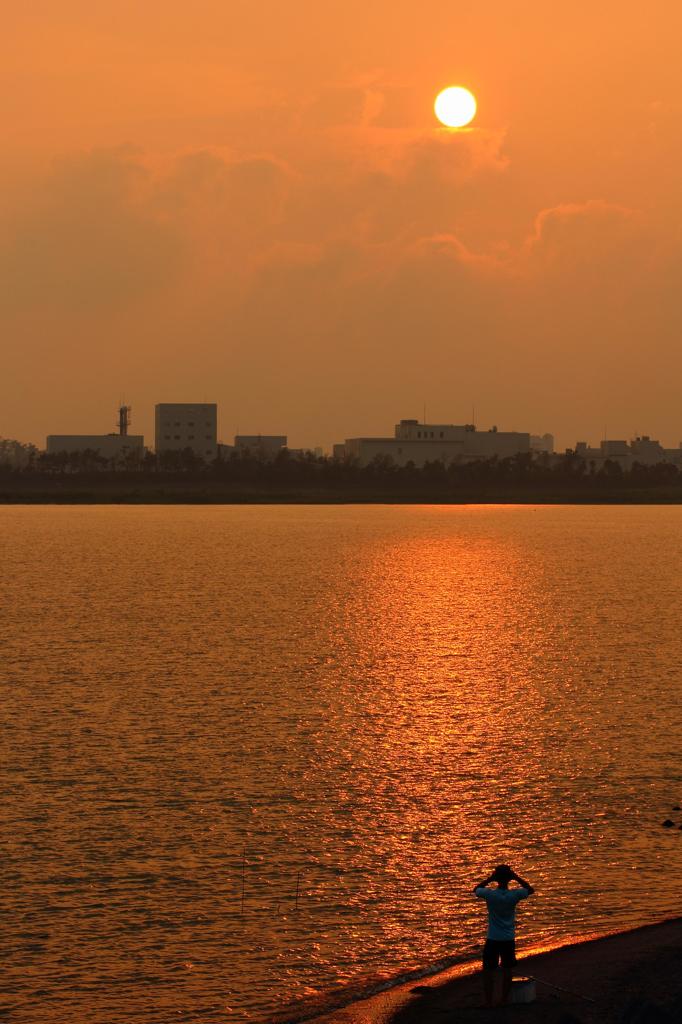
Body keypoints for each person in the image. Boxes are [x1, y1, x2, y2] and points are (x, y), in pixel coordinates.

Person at [473, 864, 535, 1007]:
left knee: (488, 971)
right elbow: (530, 890)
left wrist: (489, 879)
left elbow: (476, 889)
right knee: (507, 971)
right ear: (509, 879)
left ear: (496, 878)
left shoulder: (489, 894)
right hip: (508, 938)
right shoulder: (514, 895)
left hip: (493, 938)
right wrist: (516, 877)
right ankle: (503, 1000)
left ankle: (489, 1002)